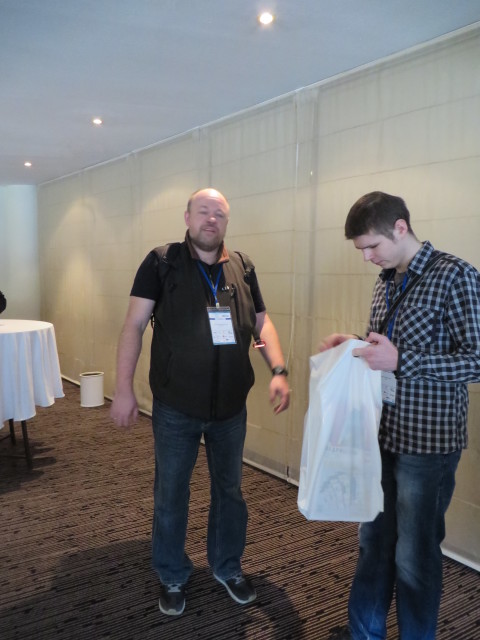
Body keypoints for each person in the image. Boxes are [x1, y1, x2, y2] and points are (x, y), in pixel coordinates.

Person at [110, 187, 290, 617]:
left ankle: (227, 566)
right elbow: (134, 325)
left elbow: (262, 325)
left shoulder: (242, 267)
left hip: (230, 408)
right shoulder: (161, 263)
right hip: (176, 406)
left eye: (219, 213)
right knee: (171, 492)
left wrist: (278, 369)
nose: (212, 219)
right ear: (187, 217)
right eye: (203, 211)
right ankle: (172, 573)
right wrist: (123, 387)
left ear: (226, 221)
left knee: (230, 491)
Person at [320, 191, 480, 640]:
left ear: (401, 228)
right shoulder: (387, 279)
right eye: (362, 249)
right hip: (381, 434)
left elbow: (477, 360)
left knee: (414, 558)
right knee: (373, 544)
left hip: (427, 446)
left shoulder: (456, 275)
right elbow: (384, 348)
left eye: (372, 246)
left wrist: (402, 361)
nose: (367, 257)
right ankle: (363, 634)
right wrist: (353, 345)